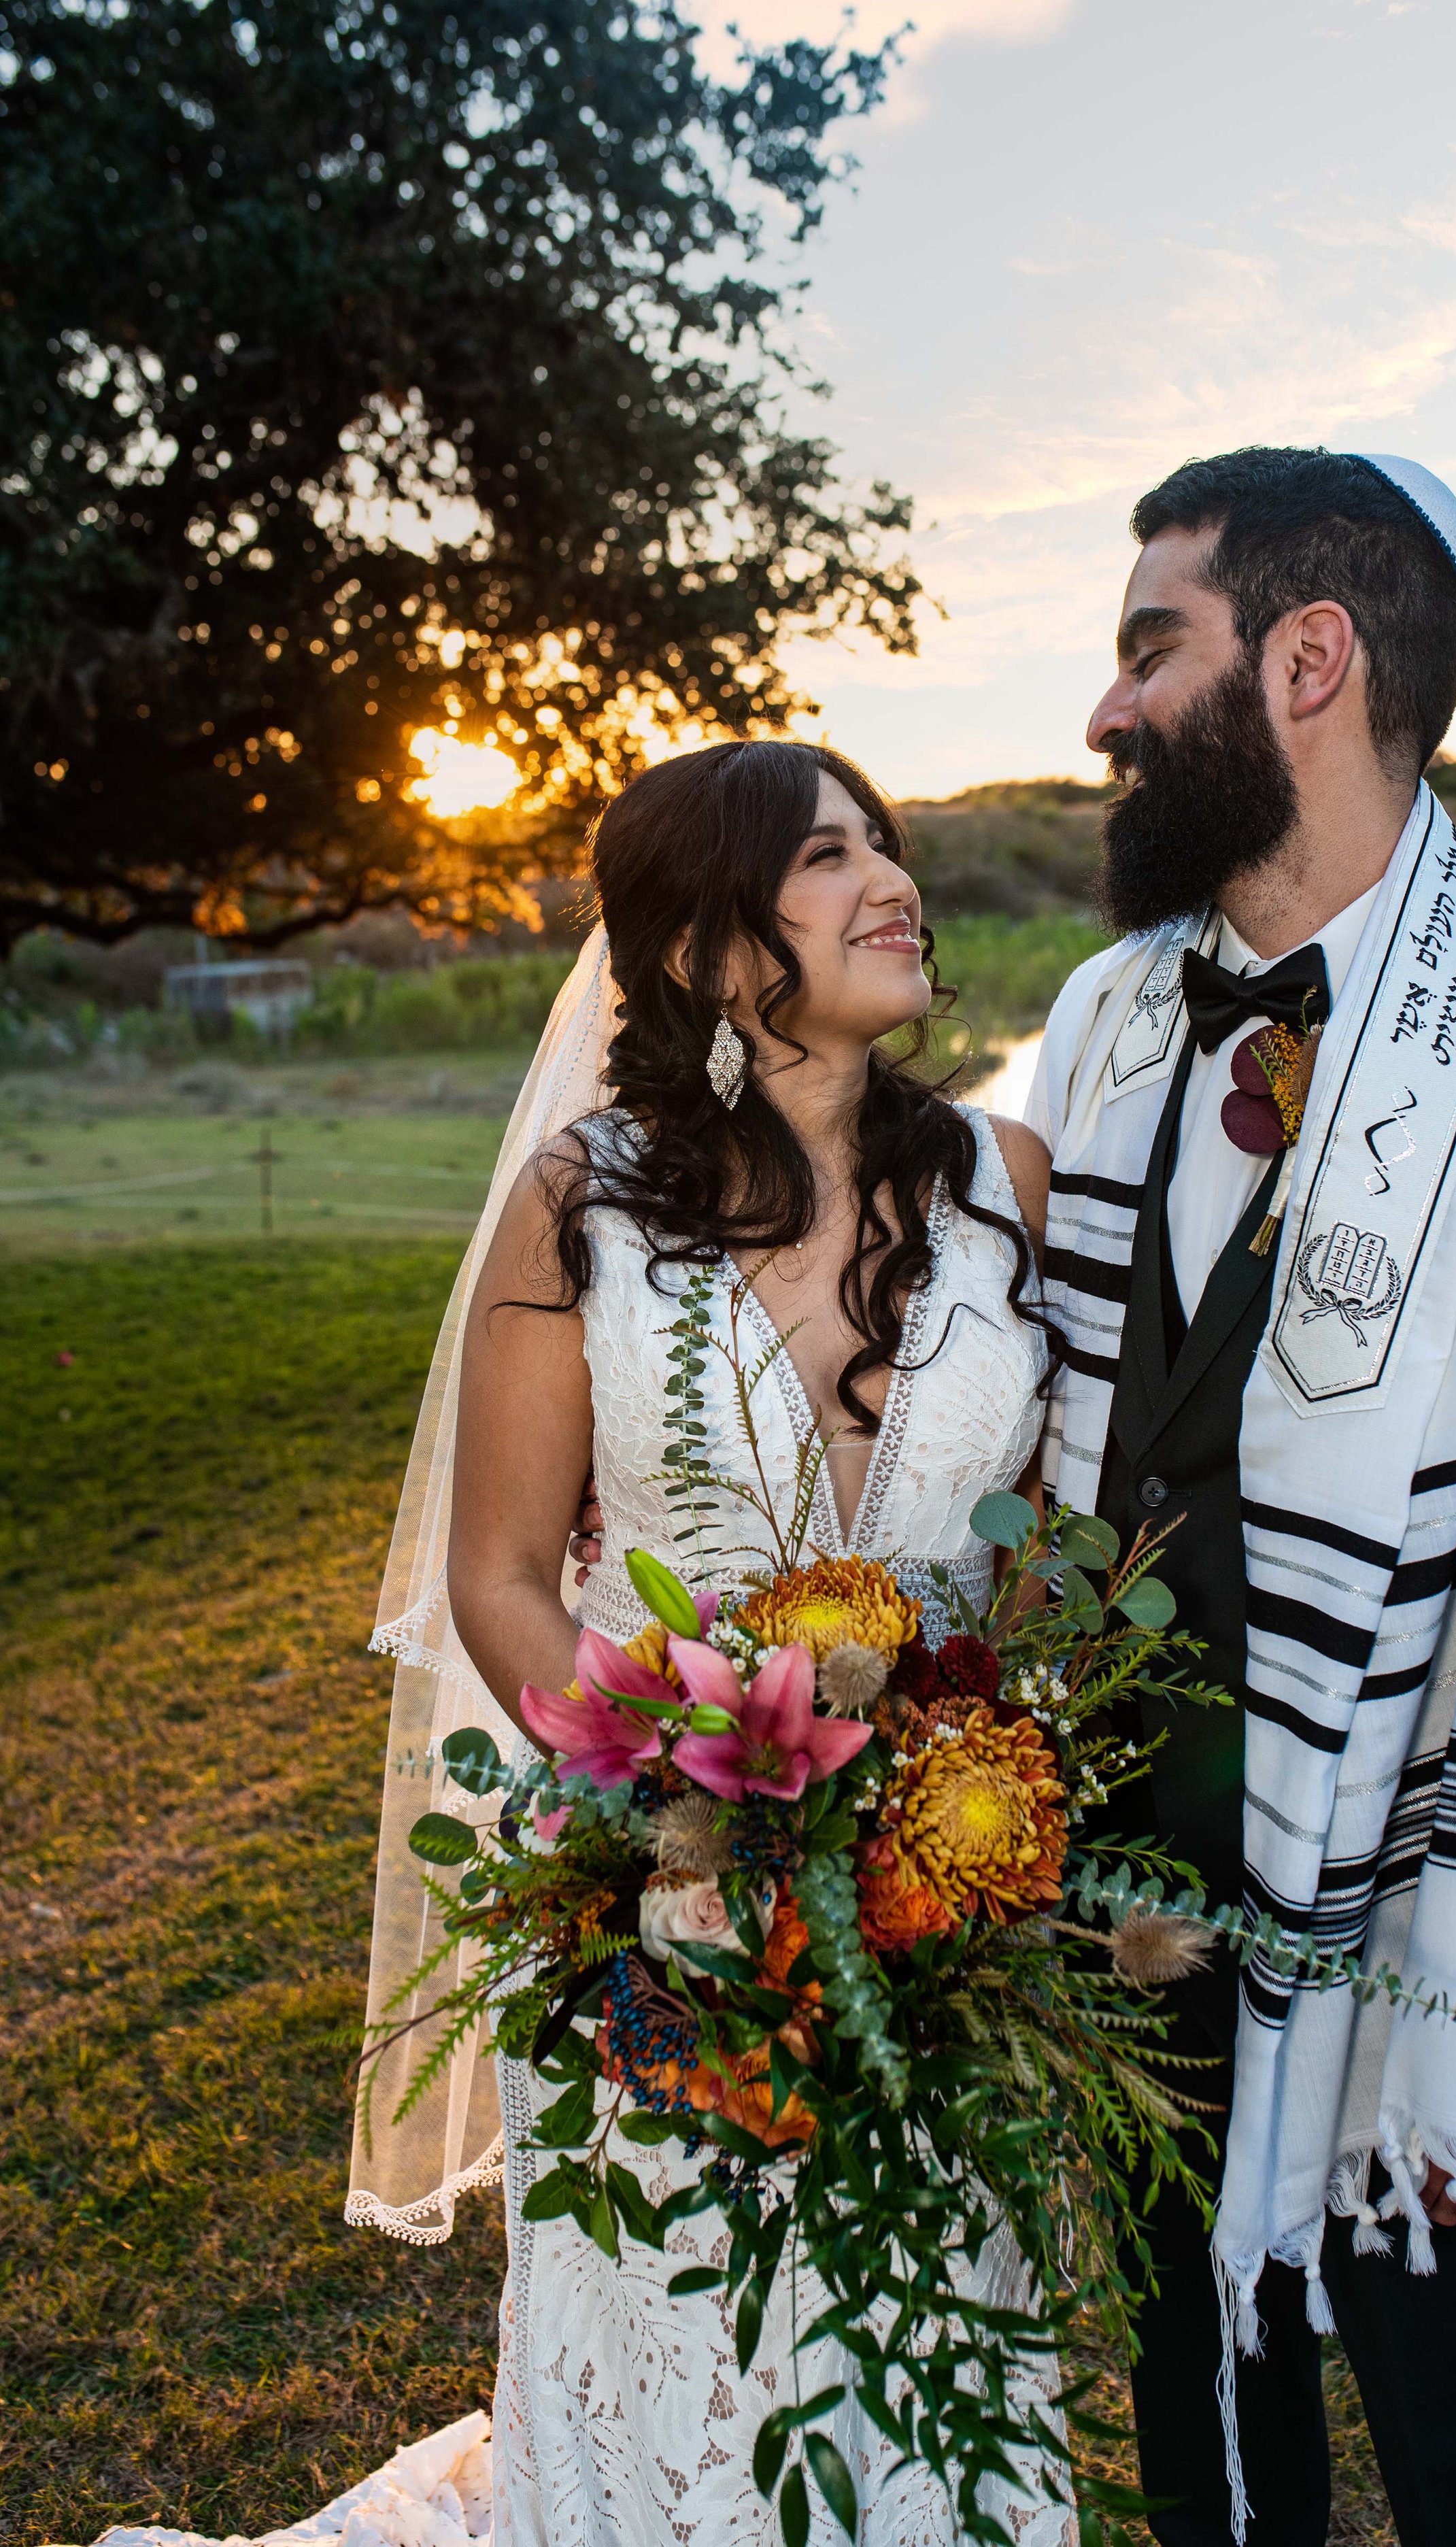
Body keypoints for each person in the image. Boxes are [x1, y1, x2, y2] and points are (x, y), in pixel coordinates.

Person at [1026, 445, 1456, 2547]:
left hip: (1415, 1869)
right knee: (1186, 2369)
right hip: (1128, 1850)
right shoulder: (1097, 1014)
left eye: (1151, 643)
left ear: (1306, 658)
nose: (1106, 708)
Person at [354, 737, 1068, 2546]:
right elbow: (506, 1570)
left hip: (938, 1897)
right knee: (681, 2347)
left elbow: (1036, 1552)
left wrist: (984, 1795)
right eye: (826, 860)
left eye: (885, 846)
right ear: (695, 948)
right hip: (646, 1882)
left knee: (916, 2350)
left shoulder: (1009, 1176)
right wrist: (669, 1811)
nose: (891, 883)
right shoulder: (582, 1202)